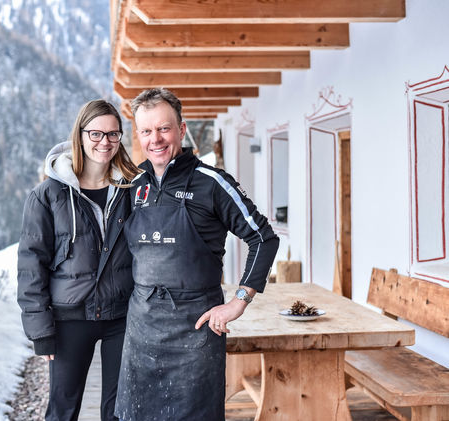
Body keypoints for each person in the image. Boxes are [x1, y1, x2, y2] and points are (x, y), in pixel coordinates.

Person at [115, 88, 280, 420]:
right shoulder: (133, 186)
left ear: (182, 129)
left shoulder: (212, 182)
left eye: (164, 128)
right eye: (146, 131)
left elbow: (263, 238)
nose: (155, 139)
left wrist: (239, 301)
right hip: (142, 329)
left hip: (196, 329)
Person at [17, 99, 140, 421]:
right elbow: (31, 265)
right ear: (80, 134)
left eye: (113, 135)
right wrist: (41, 332)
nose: (105, 143)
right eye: (96, 134)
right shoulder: (48, 195)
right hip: (69, 317)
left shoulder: (132, 188)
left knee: (120, 410)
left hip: (122, 316)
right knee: (63, 408)